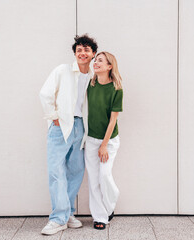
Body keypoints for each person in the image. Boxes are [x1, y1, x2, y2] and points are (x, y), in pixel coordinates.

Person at [39, 34, 98, 235]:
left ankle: (68, 213)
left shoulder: (93, 77)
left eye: (86, 50)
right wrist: (53, 116)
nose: (82, 53)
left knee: (76, 171)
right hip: (60, 125)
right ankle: (58, 218)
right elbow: (45, 93)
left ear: (93, 54)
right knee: (56, 171)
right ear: (75, 53)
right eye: (79, 49)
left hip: (80, 127)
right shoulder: (62, 70)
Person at [84, 52, 123, 230]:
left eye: (100, 60)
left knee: (104, 175)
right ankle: (100, 216)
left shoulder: (116, 89)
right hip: (91, 140)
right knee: (93, 180)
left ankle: (110, 204)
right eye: (95, 60)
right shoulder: (90, 85)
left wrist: (104, 145)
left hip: (109, 141)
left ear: (109, 66)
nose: (95, 63)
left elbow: (113, 119)